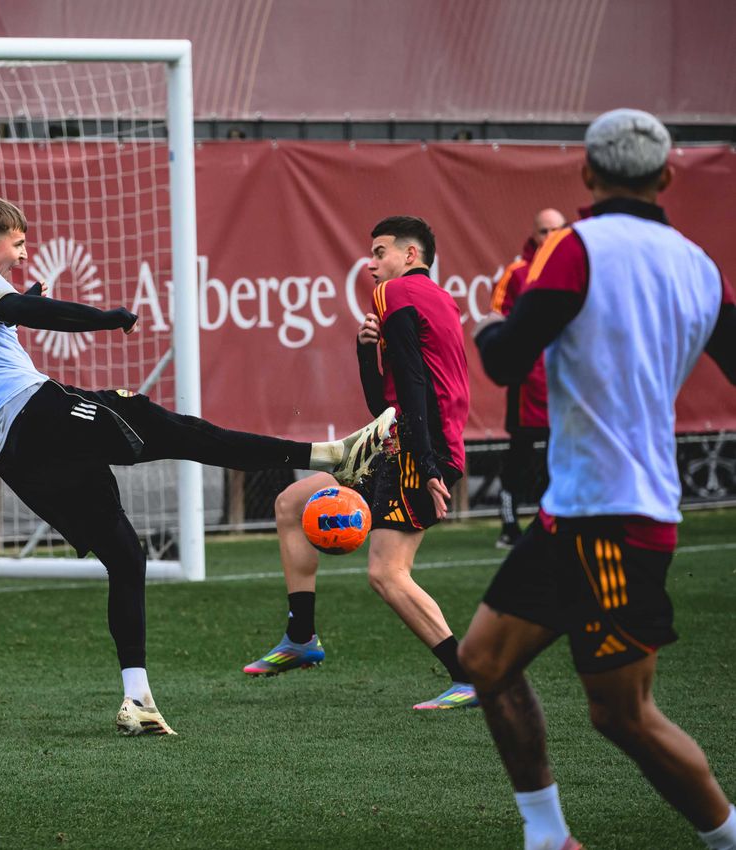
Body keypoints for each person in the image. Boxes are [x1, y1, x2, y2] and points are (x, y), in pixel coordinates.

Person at [0, 196, 397, 736]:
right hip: (38, 416)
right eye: (19, 244)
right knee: (176, 430)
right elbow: (17, 310)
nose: (24, 255)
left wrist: (25, 301)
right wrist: (104, 318)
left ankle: (137, 698)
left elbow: (1, 319)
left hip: (13, 457)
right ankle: (332, 455)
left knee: (125, 555)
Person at [461, 108, 736, 850]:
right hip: (577, 511)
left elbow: (507, 358)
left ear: (586, 175)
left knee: (623, 714)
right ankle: (547, 837)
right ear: (667, 176)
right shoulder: (697, 263)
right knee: (483, 660)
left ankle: (727, 835)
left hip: (611, 519)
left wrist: (483, 328)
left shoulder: (573, 248)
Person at [243, 216, 478, 711]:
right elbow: (387, 402)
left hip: (415, 448)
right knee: (291, 504)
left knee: (388, 574)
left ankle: (472, 677)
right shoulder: (434, 300)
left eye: (380, 252)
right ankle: (302, 639)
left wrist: (430, 464)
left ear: (410, 256)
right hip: (398, 440)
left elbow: (415, 384)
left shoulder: (397, 293)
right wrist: (363, 349)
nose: (371, 264)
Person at [490, 208, 566, 548]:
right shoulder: (518, 272)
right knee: (519, 455)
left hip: (563, 384)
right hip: (527, 384)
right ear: (533, 235)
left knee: (558, 457)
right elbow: (497, 318)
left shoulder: (573, 270)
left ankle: (546, 523)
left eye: (557, 230)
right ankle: (509, 523)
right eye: (544, 230)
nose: (550, 236)